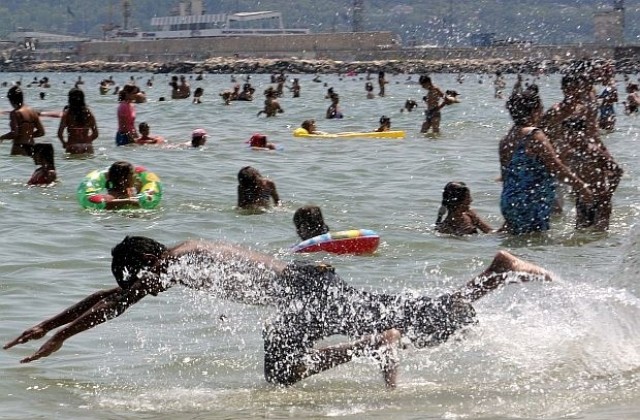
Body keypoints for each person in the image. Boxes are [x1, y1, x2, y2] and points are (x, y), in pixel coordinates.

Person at [3, 236, 553, 388]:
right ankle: (378, 343)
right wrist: (50, 326)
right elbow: (113, 297)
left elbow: (116, 303)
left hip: (307, 297)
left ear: (147, 261)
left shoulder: (178, 260)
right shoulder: (180, 256)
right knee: (284, 371)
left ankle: (496, 271)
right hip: (306, 295)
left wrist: (60, 336)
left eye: (141, 277)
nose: (147, 288)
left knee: (423, 323)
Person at [499, 86, 593, 235]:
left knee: (519, 245)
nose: (542, 112)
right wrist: (581, 187)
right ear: (535, 110)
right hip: (531, 201)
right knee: (535, 247)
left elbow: (506, 178)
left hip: (510, 201)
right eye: (541, 108)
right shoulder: (534, 135)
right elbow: (556, 167)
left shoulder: (506, 140)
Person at [0, 86, 45, 156]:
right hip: (32, 148)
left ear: (12, 100)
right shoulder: (33, 112)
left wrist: (2, 137)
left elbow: (15, 133)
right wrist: (29, 136)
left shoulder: (15, 113)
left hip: (19, 147)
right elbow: (41, 132)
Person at [57, 87, 99, 155]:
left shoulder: (67, 114)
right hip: (87, 147)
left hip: (73, 146)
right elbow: (96, 134)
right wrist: (87, 141)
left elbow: (59, 134)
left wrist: (64, 143)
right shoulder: (89, 113)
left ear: (70, 99)